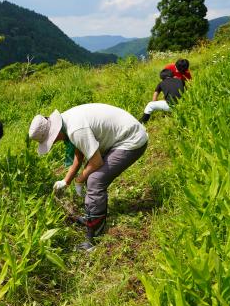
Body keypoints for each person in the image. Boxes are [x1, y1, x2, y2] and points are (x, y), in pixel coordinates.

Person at [28, 103, 148, 251]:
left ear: (54, 131)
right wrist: (66, 181)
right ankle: (92, 216)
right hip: (122, 135)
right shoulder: (68, 121)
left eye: (51, 140)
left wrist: (80, 180)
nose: (54, 142)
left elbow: (96, 162)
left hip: (131, 140)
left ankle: (94, 237)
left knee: (95, 179)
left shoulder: (75, 129)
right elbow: (80, 153)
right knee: (90, 175)